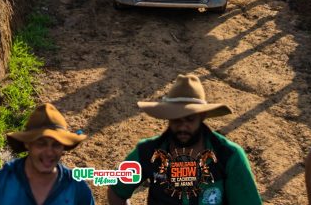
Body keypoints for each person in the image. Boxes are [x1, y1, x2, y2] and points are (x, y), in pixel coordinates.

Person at [107, 74, 262, 205]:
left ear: (201, 117)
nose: (183, 127)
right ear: (168, 119)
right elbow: (117, 191)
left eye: (189, 119)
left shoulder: (228, 155)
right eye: (176, 120)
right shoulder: (147, 151)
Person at [0, 103, 94, 205]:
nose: (49, 152)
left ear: (64, 147)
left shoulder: (77, 189)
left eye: (56, 145)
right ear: (27, 144)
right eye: (41, 144)